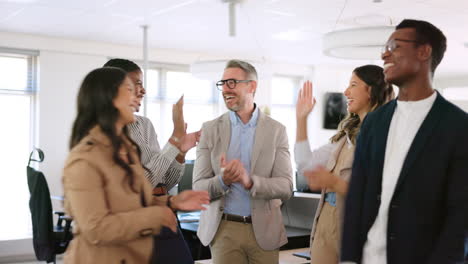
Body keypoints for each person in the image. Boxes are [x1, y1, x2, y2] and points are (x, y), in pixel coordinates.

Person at [341, 19, 468, 264]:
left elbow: (460, 218)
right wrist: (348, 259)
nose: (384, 53)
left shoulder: (458, 127)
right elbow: (357, 197)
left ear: (424, 51)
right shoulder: (374, 123)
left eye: (394, 46)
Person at [62, 67, 209, 263]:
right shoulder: (84, 159)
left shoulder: (126, 148)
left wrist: (172, 202)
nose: (139, 94)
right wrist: (156, 215)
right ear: (109, 97)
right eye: (129, 89)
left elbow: (132, 199)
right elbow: (96, 229)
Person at [192, 59, 293, 264]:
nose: (225, 90)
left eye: (232, 83)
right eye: (223, 84)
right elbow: (198, 187)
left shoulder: (276, 130)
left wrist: (249, 182)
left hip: (265, 231)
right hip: (224, 231)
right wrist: (223, 180)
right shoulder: (210, 130)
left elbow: (286, 186)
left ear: (252, 86)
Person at [102, 59, 201, 264]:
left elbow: (167, 181)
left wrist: (180, 152)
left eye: (142, 83)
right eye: (136, 83)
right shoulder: (107, 131)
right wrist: (173, 140)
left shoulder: (145, 125)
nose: (143, 90)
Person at [295, 65, 394, 264]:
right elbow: (305, 165)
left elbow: (381, 196)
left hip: (356, 228)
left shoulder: (387, 137)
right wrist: (301, 119)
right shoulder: (344, 138)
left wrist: (333, 182)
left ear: (371, 91)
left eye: (353, 85)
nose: (345, 91)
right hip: (326, 224)